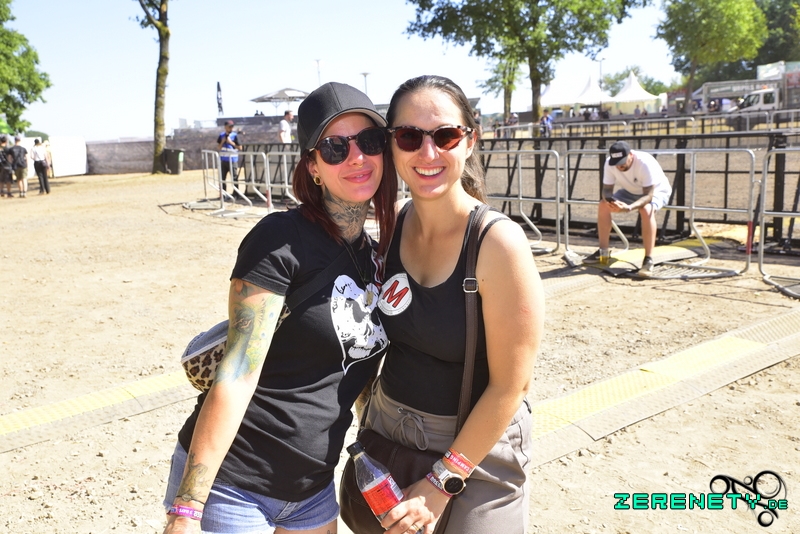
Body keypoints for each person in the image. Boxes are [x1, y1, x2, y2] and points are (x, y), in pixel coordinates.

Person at [162, 82, 397, 534]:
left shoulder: (378, 258)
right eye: (335, 147)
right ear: (312, 166)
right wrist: (187, 509)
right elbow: (237, 371)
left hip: (313, 490)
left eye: (369, 141)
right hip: (234, 484)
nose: (356, 157)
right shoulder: (280, 240)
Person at [371, 75, 545, 534]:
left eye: (445, 135)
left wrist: (441, 481)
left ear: (470, 141)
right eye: (409, 137)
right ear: (391, 146)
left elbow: (512, 385)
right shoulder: (393, 224)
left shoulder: (497, 243)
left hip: (475, 450)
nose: (427, 153)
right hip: (388, 438)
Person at [584, 141, 673, 276]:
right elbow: (607, 190)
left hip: (656, 191)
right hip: (630, 191)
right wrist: (611, 201)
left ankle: (648, 259)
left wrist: (629, 207)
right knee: (603, 205)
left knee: (646, 209)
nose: (619, 165)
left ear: (631, 155)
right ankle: (603, 252)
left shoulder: (645, 162)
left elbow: (648, 196)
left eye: (622, 161)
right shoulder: (609, 163)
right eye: (616, 162)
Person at [217, 120, 242, 194]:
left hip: (232, 160)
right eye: (229, 127)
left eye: (232, 127)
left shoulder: (235, 135)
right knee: (222, 178)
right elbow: (219, 147)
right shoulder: (221, 135)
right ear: (225, 127)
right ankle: (223, 194)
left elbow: (240, 148)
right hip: (223, 160)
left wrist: (230, 142)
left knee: (234, 178)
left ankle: (236, 194)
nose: (231, 128)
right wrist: (223, 141)